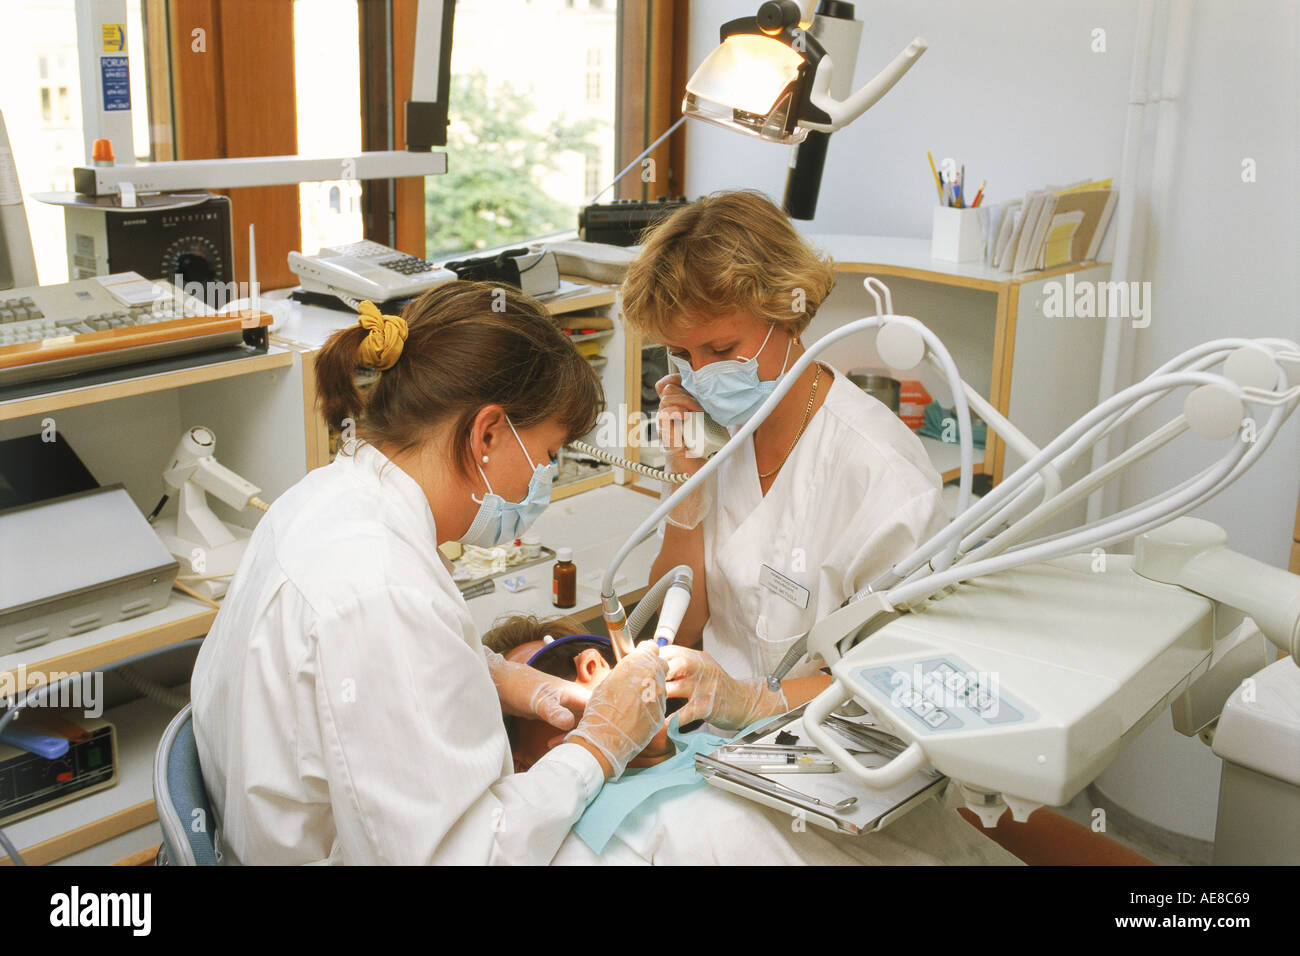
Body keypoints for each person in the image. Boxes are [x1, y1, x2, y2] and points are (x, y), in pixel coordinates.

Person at [190, 282, 668, 865]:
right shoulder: (383, 589)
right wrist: (599, 747)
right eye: (547, 456)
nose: (545, 477)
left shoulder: (325, 497)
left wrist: (502, 679)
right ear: (487, 434)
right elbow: (463, 857)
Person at [619, 190, 949, 730]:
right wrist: (686, 491)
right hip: (715, 741)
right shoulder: (711, 439)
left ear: (788, 317)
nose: (699, 376)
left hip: (840, 751)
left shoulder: (879, 469)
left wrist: (751, 701)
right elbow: (677, 633)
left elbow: (905, 679)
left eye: (722, 351)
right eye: (681, 354)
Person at [481, 614, 676, 771]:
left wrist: (664, 755)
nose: (590, 658)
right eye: (548, 670)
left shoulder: (692, 748)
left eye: (566, 657)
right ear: (519, 767)